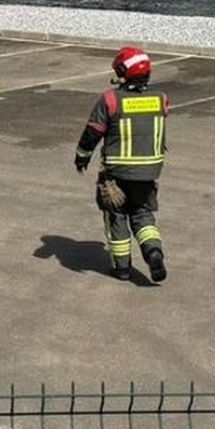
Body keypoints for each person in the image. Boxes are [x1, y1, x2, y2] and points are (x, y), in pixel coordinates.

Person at [74, 45, 169, 283]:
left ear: (123, 72)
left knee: (115, 216)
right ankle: (153, 250)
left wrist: (81, 156)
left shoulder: (111, 99)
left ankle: (122, 267)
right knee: (142, 213)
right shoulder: (160, 99)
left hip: (116, 173)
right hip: (148, 172)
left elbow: (93, 132)